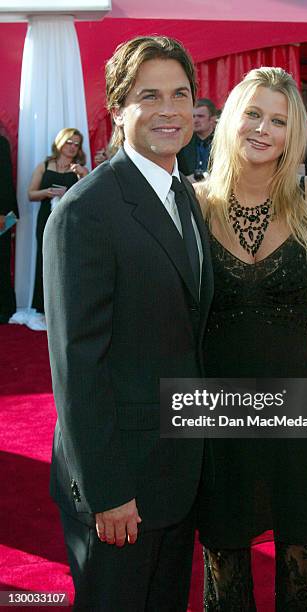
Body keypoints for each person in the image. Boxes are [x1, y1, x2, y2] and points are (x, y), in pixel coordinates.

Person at [43, 35, 213, 611]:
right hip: (121, 489)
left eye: (181, 94)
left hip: (175, 473)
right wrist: (108, 492)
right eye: (150, 96)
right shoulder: (85, 211)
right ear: (118, 108)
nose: (169, 110)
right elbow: (76, 367)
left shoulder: (182, 193)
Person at [194, 67, 307, 610]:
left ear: (295, 133)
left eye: (279, 120)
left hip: (296, 401)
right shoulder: (195, 204)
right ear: (230, 120)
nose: (264, 129)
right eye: (253, 113)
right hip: (216, 405)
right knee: (225, 560)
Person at [27, 128, 88, 330]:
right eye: (69, 141)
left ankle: (67, 308)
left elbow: (88, 196)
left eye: (76, 143)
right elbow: (31, 194)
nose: (72, 146)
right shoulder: (45, 165)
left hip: (70, 222)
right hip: (46, 218)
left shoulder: (79, 169)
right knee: (44, 260)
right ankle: (43, 308)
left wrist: (72, 187)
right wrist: (48, 192)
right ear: (60, 142)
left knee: (68, 261)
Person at [0, 134, 18, 323]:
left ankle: (6, 308)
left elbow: (5, 179)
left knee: (2, 261)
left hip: (2, 214)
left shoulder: (1, 143)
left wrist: (5, 215)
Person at [177, 97, 218, 180]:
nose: (195, 120)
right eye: (193, 116)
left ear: (212, 119)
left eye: (200, 116)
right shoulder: (182, 142)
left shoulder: (223, 143)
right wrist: (185, 180)